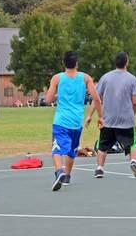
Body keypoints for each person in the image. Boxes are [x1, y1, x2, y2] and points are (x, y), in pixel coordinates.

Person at [45, 51, 101, 191]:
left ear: (63, 63)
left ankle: (59, 171)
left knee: (57, 148)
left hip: (61, 120)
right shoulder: (85, 78)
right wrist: (100, 116)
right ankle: (67, 176)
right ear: (77, 63)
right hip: (76, 121)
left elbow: (48, 99)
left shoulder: (57, 78)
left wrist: (57, 94)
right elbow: (96, 99)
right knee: (72, 149)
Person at [86, 52, 136, 179]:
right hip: (126, 118)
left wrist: (90, 115)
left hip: (108, 118)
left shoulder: (105, 77)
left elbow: (97, 99)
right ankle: (133, 161)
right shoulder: (132, 79)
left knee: (103, 145)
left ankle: (100, 168)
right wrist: (132, 114)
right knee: (132, 143)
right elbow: (135, 102)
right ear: (126, 62)